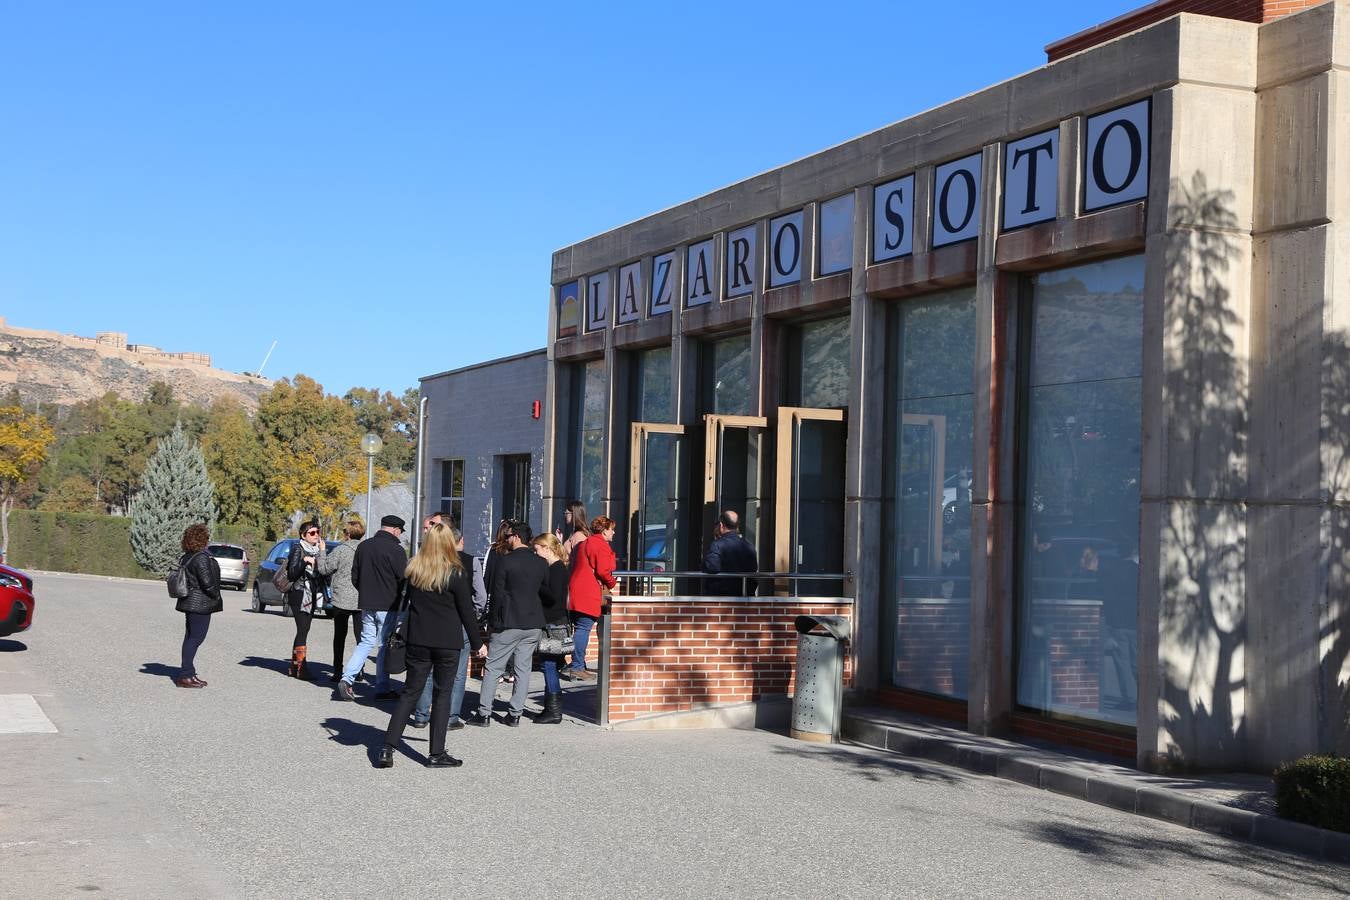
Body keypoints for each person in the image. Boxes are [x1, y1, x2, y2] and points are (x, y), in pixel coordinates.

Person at [377, 522, 486, 768]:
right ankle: (436, 753)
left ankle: (387, 747)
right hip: (447, 641)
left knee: (410, 692)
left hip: (418, 639)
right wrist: (478, 643)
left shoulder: (415, 570)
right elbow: (466, 612)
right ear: (449, 543)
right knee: (442, 694)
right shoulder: (456, 572)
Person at [467, 520, 548, 727]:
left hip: (508, 621)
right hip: (532, 622)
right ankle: (515, 714)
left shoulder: (506, 561)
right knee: (523, 669)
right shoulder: (540, 562)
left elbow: (498, 595)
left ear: (517, 537)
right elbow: (545, 592)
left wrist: (492, 621)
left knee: (494, 667)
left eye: (509, 536)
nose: (507, 539)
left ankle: (484, 713)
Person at [410, 510, 481, 729]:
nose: (427, 531)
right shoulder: (466, 563)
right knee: (456, 676)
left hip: (425, 628)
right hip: (456, 624)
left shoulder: (420, 562)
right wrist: (477, 630)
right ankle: (450, 717)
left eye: (430, 527)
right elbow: (479, 597)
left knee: (427, 675)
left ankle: (421, 715)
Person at [336, 514, 408, 701]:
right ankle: (382, 687)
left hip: (367, 603)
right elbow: (403, 579)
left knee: (366, 642)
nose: (400, 535)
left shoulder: (364, 546)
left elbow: (355, 576)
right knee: (383, 644)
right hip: (388, 604)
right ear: (394, 530)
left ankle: (347, 679)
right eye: (399, 531)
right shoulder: (397, 550)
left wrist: (365, 592)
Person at [566, 515, 617, 680]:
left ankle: (578, 665)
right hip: (587, 592)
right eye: (611, 529)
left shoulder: (584, 543)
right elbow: (603, 570)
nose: (614, 533)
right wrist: (612, 583)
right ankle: (577, 667)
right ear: (604, 531)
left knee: (580, 628)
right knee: (583, 629)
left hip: (576, 591)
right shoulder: (599, 545)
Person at [174, 523, 222, 688]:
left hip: (190, 602)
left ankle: (189, 673)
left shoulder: (188, 555)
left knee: (190, 637)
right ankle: (186, 675)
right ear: (202, 539)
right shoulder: (201, 557)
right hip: (200, 604)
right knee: (195, 638)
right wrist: (216, 594)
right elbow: (207, 582)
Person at [317, 518, 363, 682]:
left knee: (340, 636)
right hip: (361, 599)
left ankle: (338, 670)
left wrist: (321, 551)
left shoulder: (340, 550)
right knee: (361, 638)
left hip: (341, 598)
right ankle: (359, 670)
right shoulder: (365, 549)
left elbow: (324, 569)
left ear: (348, 534)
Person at [531, 532, 569, 724]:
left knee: (548, 665)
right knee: (550, 665)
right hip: (555, 622)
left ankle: (554, 710)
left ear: (547, 548)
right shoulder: (556, 567)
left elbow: (553, 596)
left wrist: (537, 584)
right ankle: (550, 707)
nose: (536, 554)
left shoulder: (556, 569)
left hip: (553, 624)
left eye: (537, 550)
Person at [284, 520, 329, 679]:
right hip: (299, 593)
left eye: (317, 532)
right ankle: (301, 668)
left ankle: (294, 666)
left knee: (304, 630)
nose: (316, 535)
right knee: (303, 629)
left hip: (312, 594)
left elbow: (325, 571)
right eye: (312, 533)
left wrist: (322, 553)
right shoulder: (298, 548)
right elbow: (292, 574)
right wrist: (305, 561)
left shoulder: (318, 549)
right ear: (303, 535)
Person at [702, 509, 758, 596]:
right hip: (745, 596)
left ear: (721, 525)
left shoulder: (716, 545)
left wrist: (702, 564)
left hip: (721, 598)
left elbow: (712, 568)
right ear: (737, 526)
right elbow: (753, 568)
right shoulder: (748, 545)